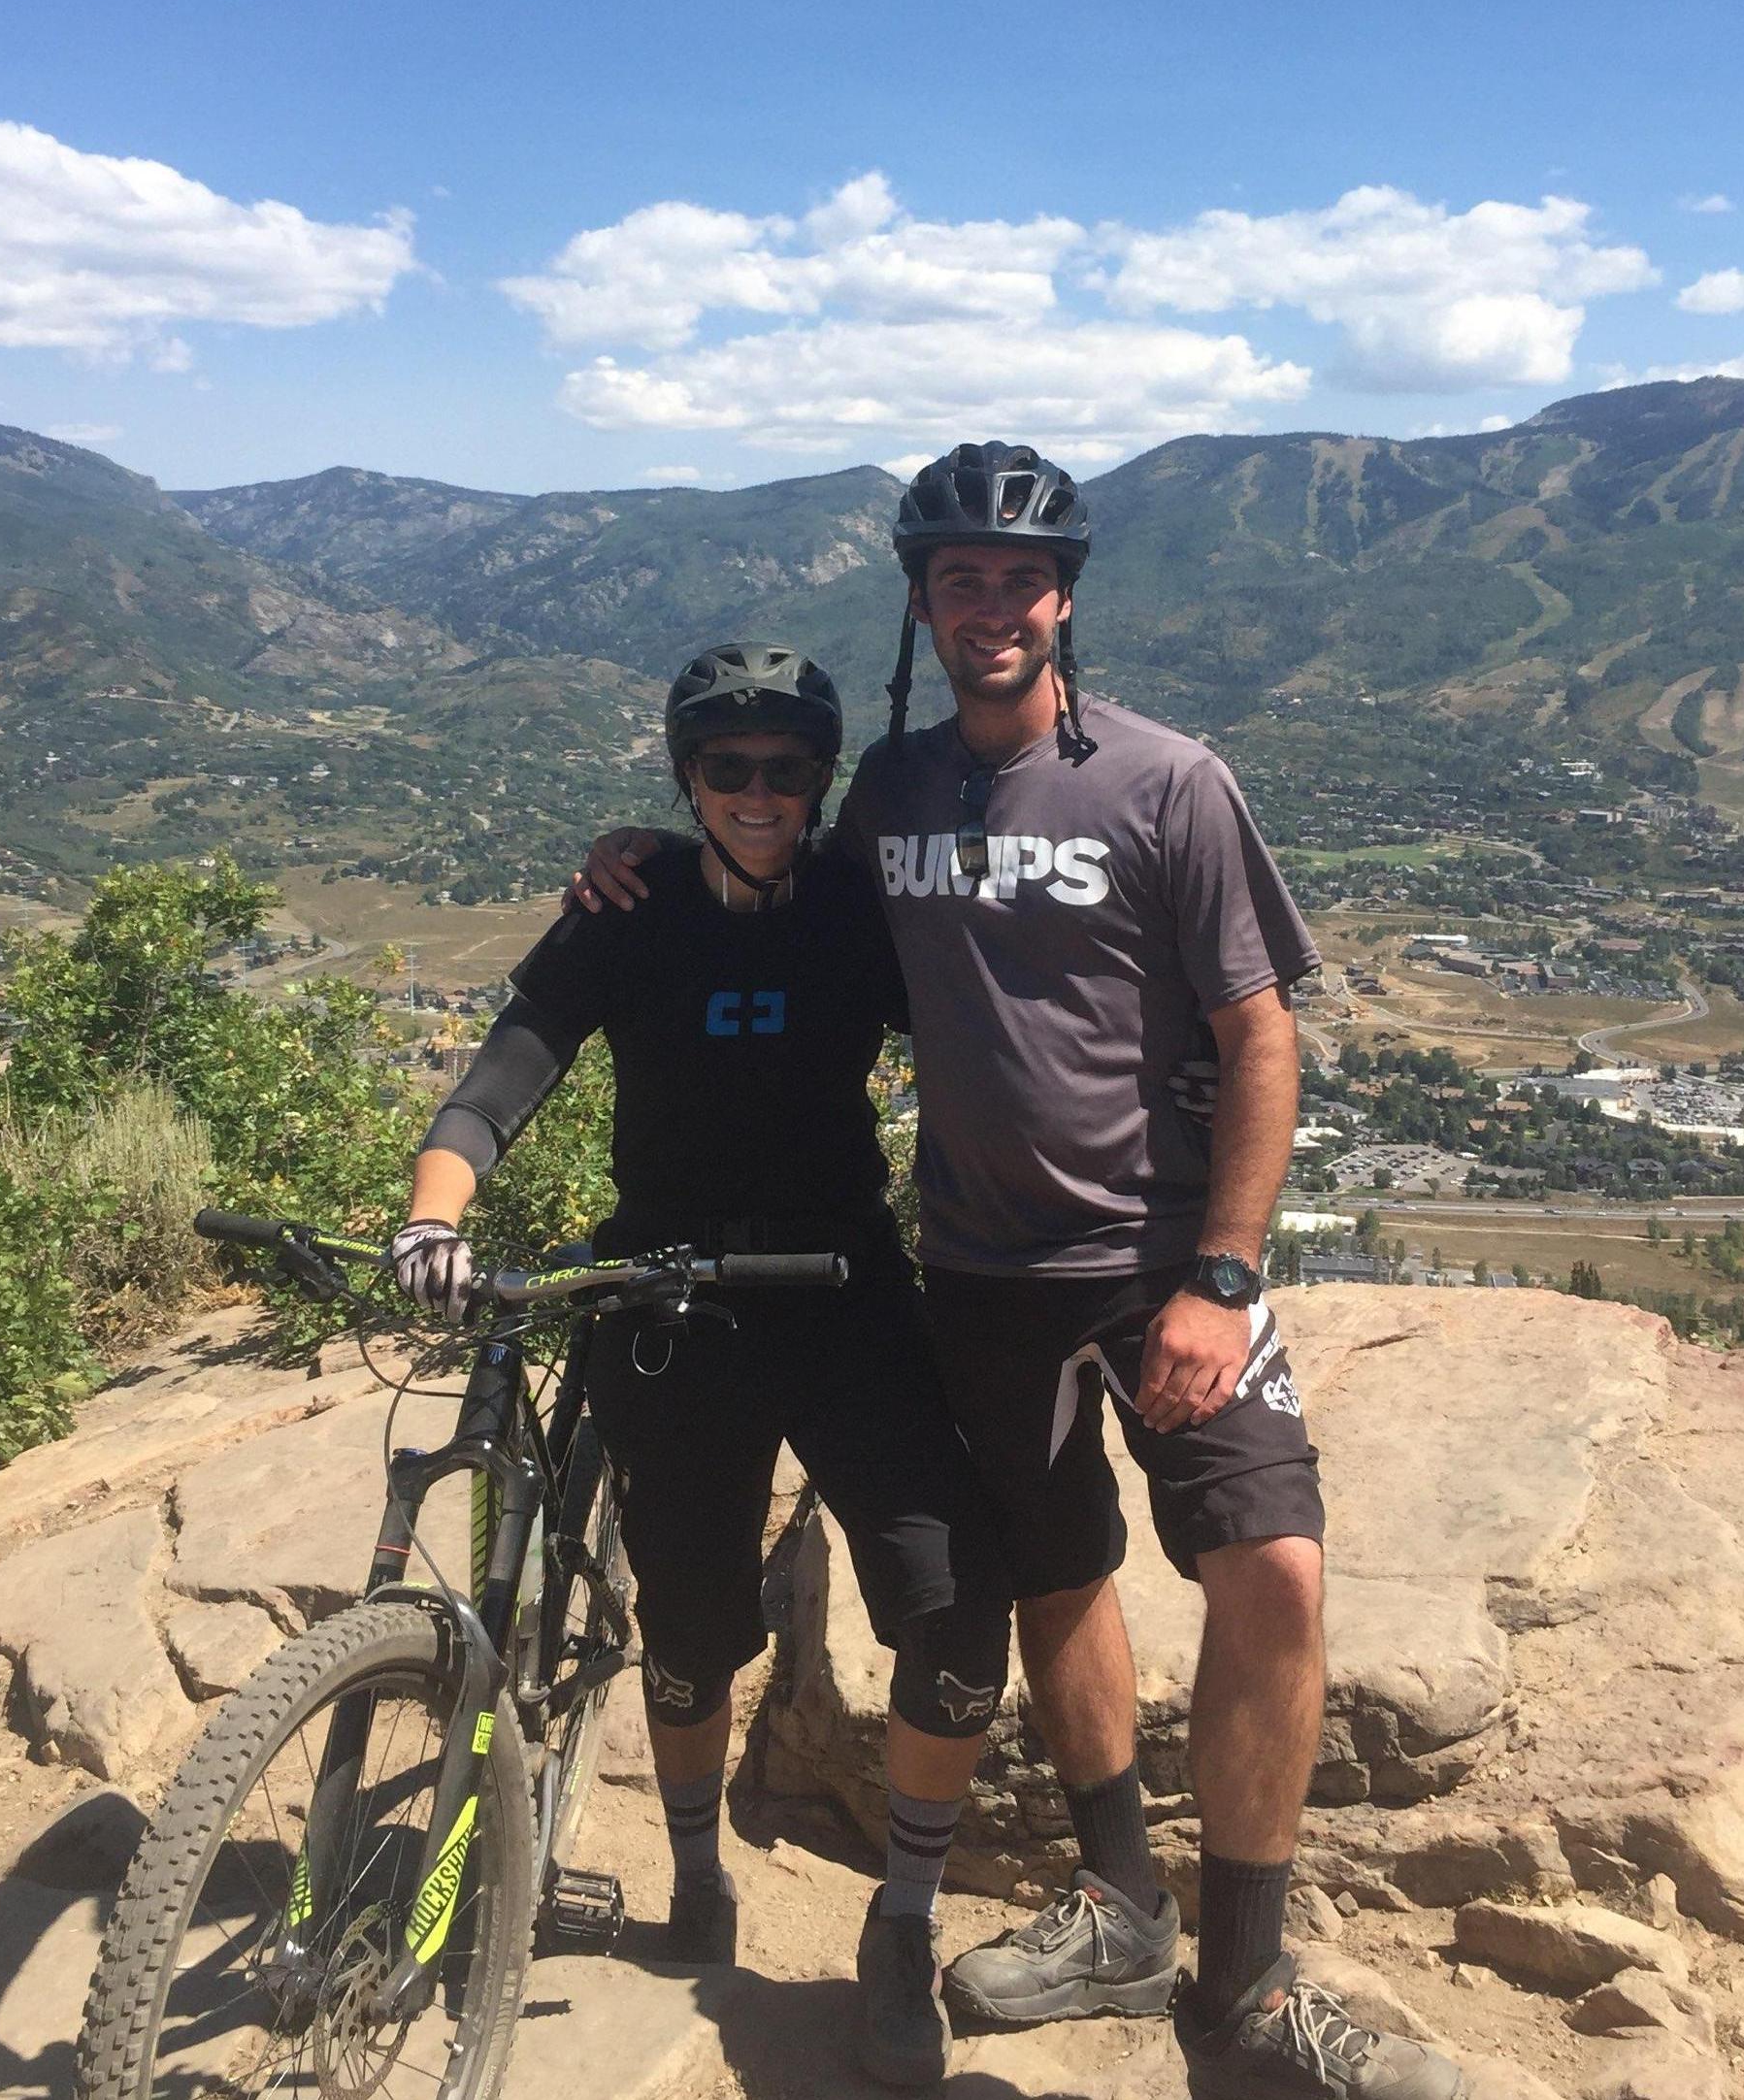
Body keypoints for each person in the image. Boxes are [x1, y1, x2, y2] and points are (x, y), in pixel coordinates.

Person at [575, 449, 1467, 2100]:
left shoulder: (1169, 781)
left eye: (1017, 578)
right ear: (926, 600)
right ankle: (1121, 1906)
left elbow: (1258, 1029)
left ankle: (1251, 1990)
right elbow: (760, 874)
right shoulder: (892, 797)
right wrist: (641, 845)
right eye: (958, 580)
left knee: (1270, 1565)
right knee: (1054, 1576)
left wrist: (1222, 1269)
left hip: (1155, 1260)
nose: (989, 606)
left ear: (1064, 599)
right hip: (979, 1270)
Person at [395, 642, 1012, 2088]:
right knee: (689, 1632)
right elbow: (507, 1071)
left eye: (786, 769)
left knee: (955, 1611)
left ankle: (904, 1925)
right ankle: (694, 1883)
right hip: (666, 1300)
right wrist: (434, 1213)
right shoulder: (633, 907)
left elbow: (998, 1038)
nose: (756, 792)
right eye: (725, 769)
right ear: (686, 778)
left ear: (817, 784)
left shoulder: (862, 908)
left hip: (841, 1289)